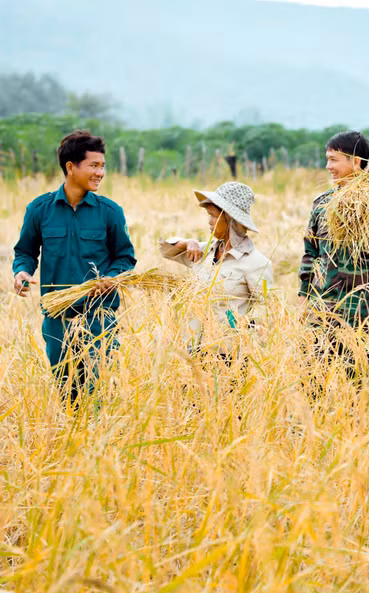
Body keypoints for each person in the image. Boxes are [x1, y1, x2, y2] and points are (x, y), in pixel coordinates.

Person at [12, 130, 136, 404]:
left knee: (99, 392)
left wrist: (111, 278)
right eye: (94, 165)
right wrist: (21, 271)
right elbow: (25, 251)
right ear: (71, 167)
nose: (100, 172)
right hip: (57, 318)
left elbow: (126, 258)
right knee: (68, 395)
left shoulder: (110, 211)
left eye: (102, 166)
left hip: (99, 319)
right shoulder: (39, 209)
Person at [297, 131, 369, 379]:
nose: (328, 166)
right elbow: (311, 254)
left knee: (363, 385)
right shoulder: (322, 203)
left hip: (365, 312)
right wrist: (304, 300)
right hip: (324, 310)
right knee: (314, 382)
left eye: (334, 159)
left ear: (356, 161)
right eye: (327, 159)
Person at [159, 181, 274, 357]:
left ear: (229, 218)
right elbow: (166, 250)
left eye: (213, 216)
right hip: (193, 349)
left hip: (228, 354)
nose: (209, 222)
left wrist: (239, 324)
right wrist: (187, 242)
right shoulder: (203, 252)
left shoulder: (256, 263)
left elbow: (267, 308)